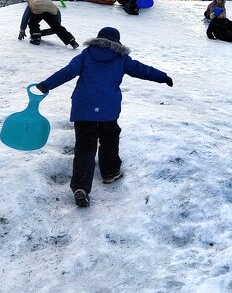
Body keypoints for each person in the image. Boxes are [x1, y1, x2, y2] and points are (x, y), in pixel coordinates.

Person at [35, 26, 173, 208]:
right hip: (108, 108)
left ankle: (81, 187)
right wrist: (163, 77)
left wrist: (47, 84)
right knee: (109, 138)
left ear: (98, 39)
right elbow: (142, 70)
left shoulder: (86, 54)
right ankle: (109, 172)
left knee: (85, 146)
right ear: (117, 41)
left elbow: (68, 71)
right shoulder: (121, 58)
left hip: (83, 107)